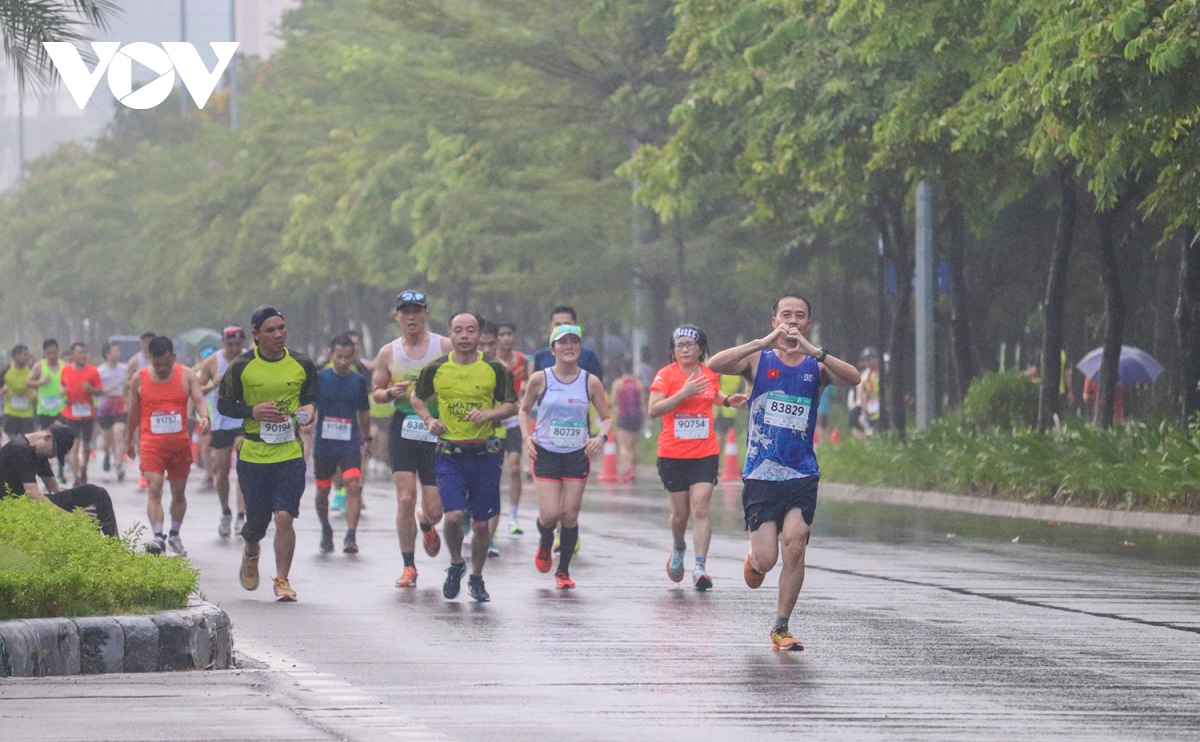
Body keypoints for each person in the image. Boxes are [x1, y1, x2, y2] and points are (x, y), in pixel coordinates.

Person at [708, 295, 861, 651]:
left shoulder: (816, 366)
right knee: (767, 559)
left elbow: (853, 378)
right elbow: (716, 364)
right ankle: (754, 560)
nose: (792, 321)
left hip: (801, 472)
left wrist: (815, 351)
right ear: (774, 318)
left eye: (800, 316)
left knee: (795, 545)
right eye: (786, 315)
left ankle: (781, 626)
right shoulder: (757, 359)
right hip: (761, 474)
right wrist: (763, 341)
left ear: (808, 323)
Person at [411, 311, 517, 602]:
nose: (464, 336)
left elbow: (512, 405)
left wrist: (489, 414)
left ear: (480, 334)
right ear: (450, 333)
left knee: (482, 524)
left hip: (485, 453)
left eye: (470, 330)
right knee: (454, 516)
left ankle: (477, 576)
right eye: (458, 330)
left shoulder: (495, 369)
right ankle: (456, 562)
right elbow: (416, 398)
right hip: (450, 454)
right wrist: (429, 420)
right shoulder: (436, 369)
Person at [218, 306, 318, 602]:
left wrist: (309, 410)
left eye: (282, 328)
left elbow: (311, 397)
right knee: (257, 524)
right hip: (253, 455)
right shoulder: (241, 367)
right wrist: (252, 411)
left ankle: (282, 580)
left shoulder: (302, 363)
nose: (278, 335)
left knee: (285, 516)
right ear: (257, 335)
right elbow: (224, 406)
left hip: (289, 452)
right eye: (271, 330)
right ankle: (250, 550)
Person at [649, 326, 747, 591]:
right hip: (672, 454)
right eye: (679, 345)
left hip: (705, 452)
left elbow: (711, 394)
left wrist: (728, 401)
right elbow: (653, 410)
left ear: (701, 348)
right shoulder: (665, 375)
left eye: (689, 345)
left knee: (701, 507)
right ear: (672, 350)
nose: (683, 349)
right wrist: (683, 393)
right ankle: (679, 547)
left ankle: (700, 567)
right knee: (680, 514)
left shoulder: (709, 374)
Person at [518, 324, 611, 589]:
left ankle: (563, 571)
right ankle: (545, 541)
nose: (569, 347)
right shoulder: (540, 379)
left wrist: (600, 438)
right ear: (553, 349)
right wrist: (527, 437)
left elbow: (606, 418)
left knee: (569, 515)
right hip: (546, 451)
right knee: (549, 514)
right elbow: (524, 411)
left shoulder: (590, 381)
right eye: (563, 342)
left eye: (574, 342)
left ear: (580, 348)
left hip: (576, 454)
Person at [371, 290, 452, 589]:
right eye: (405, 312)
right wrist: (391, 393)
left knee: (435, 510)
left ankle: (426, 521)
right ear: (397, 316)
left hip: (436, 428)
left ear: (426, 314)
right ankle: (408, 566)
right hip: (403, 427)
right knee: (405, 497)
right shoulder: (388, 352)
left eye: (417, 311)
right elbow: (377, 390)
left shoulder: (443, 346)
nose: (411, 317)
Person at [126, 336, 210, 556]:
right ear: (149, 358)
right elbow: (133, 411)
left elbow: (199, 399)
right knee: (154, 487)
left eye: (166, 363)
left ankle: (174, 533)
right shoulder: (139, 379)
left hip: (179, 445)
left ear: (174, 356)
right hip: (151, 443)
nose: (162, 369)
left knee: (178, 493)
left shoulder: (187, 375)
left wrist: (204, 417)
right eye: (157, 364)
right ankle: (157, 536)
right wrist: (128, 438)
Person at [0, 424, 118, 536]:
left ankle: (107, 545)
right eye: (54, 452)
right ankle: (113, 547)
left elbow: (55, 490)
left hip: (25, 503)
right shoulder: (20, 450)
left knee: (96, 494)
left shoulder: (38, 451)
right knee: (94, 493)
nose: (52, 457)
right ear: (47, 437)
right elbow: (33, 495)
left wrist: (80, 504)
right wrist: (70, 516)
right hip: (14, 506)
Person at [313, 334, 372, 555]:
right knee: (322, 491)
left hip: (349, 442)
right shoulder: (319, 378)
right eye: (339, 356)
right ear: (331, 355)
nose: (343, 361)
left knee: (353, 485)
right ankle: (326, 528)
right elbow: (308, 406)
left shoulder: (358, 381)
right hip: (324, 444)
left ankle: (351, 535)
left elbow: (364, 413)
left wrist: (366, 439)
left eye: (348, 357)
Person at [198, 326, 248, 537]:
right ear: (222, 342)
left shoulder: (250, 359)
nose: (235, 348)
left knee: (244, 468)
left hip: (244, 420)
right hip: (221, 422)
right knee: (222, 472)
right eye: (230, 344)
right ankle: (226, 512)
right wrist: (212, 384)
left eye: (238, 344)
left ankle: (241, 515)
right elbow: (196, 389)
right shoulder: (212, 362)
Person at [494, 322, 527, 534]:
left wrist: (524, 403)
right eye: (502, 334)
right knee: (494, 472)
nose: (506, 338)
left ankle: (513, 517)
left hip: (514, 420)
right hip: (495, 420)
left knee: (515, 467)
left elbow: (527, 384)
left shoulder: (522, 360)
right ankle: (491, 517)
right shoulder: (490, 360)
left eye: (509, 334)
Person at [59, 342, 103, 487]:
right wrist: (62, 390)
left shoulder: (93, 371)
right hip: (71, 413)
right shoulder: (66, 370)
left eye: (84, 352)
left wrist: (91, 389)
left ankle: (84, 469)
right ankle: (76, 476)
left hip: (87, 413)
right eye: (78, 352)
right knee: (74, 446)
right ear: (71, 354)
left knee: (85, 445)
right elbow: (62, 385)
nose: (82, 355)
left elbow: (99, 391)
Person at [529, 306, 604, 380]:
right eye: (557, 325)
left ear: (574, 325)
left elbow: (597, 384)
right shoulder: (541, 356)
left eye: (566, 324)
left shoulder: (588, 356)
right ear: (550, 327)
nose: (562, 328)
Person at [96, 342, 129, 481]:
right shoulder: (100, 371)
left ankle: (119, 466)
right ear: (107, 354)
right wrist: (107, 389)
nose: (117, 354)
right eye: (114, 351)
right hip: (105, 407)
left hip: (120, 405)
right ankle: (107, 454)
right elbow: (96, 390)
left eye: (118, 351)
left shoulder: (125, 369)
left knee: (119, 433)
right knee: (106, 439)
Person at [610, 364, 645, 482]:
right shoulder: (639, 384)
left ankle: (628, 470)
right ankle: (633, 469)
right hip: (637, 417)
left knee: (624, 446)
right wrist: (646, 418)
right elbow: (642, 403)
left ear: (622, 369)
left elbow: (613, 401)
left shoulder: (618, 383)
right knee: (633, 445)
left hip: (624, 416)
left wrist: (614, 410)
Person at [1, 345, 36, 442]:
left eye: (27, 354)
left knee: (26, 441)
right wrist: (3, 391)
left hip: (27, 413)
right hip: (11, 412)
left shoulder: (32, 370)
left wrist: (35, 394)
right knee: (12, 440)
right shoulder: (6, 370)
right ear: (16, 356)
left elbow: (38, 388)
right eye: (24, 354)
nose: (27, 357)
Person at [850, 347, 880, 439]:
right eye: (865, 360)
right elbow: (862, 393)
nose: (867, 362)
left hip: (879, 403)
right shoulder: (864, 375)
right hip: (868, 404)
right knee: (855, 420)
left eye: (870, 359)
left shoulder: (881, 373)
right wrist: (863, 411)